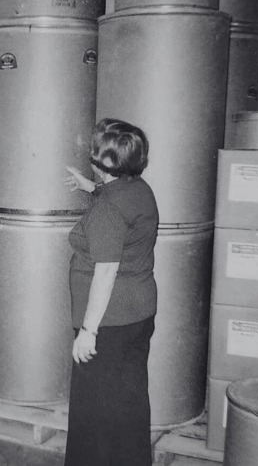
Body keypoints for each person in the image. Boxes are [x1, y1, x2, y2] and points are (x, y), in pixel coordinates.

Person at [64, 118, 159, 466]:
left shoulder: (107, 209)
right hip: (138, 315)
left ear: (102, 161)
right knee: (128, 403)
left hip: (108, 324)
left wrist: (88, 331)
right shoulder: (139, 189)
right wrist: (90, 187)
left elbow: (105, 271)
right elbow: (120, 206)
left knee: (94, 413)